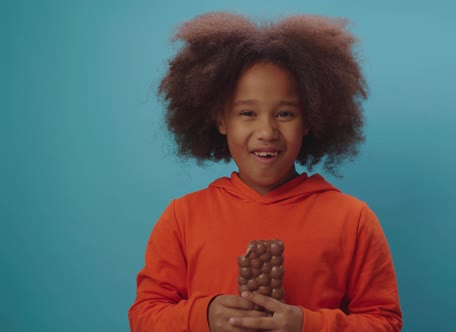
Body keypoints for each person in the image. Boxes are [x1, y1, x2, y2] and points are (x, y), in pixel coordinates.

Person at [129, 12, 402, 332]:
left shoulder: (353, 219)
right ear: (221, 121)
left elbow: (384, 321)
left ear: (310, 120)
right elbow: (144, 316)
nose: (267, 131)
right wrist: (203, 316)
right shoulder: (182, 217)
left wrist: (306, 325)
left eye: (285, 113)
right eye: (247, 113)